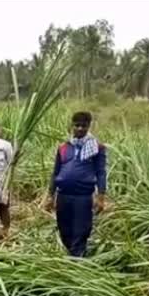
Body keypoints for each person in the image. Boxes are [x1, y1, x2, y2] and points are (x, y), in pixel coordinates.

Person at [46, 111, 107, 258]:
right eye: (77, 125)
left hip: (83, 196)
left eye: (84, 126)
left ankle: (77, 259)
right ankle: (71, 255)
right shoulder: (63, 147)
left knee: (81, 230)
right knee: (64, 229)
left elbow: (100, 172)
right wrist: (50, 195)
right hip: (63, 195)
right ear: (72, 126)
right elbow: (55, 172)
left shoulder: (97, 147)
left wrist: (100, 197)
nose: (80, 129)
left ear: (89, 127)